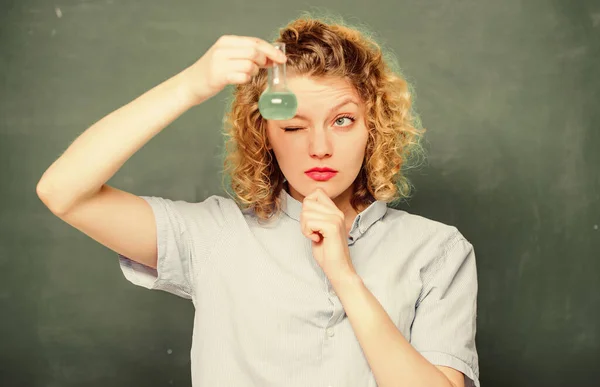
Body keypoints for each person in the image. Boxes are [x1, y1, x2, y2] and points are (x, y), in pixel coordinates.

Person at [37, 14, 479, 387]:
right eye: (293, 126)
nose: (319, 147)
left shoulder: (437, 251)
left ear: (374, 128)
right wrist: (192, 85)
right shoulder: (213, 234)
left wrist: (344, 276)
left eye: (342, 120)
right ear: (264, 136)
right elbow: (62, 192)